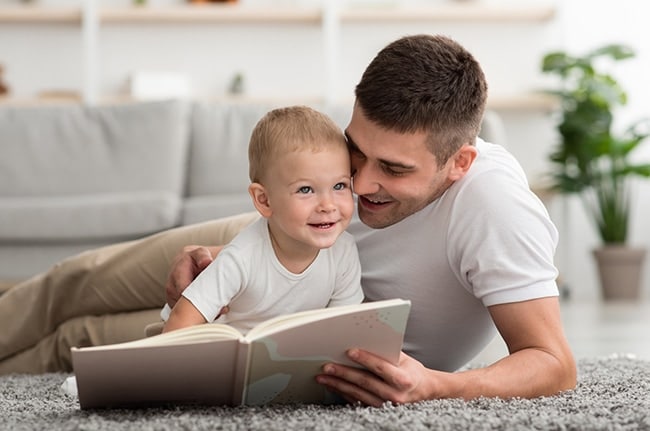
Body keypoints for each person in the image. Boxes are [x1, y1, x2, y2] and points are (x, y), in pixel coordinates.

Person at [0, 34, 576, 406]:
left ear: (460, 163)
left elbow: (553, 363)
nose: (363, 183)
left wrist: (438, 386)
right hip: (256, 243)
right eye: (357, 150)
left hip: (274, 330)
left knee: (78, 341)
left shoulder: (495, 207)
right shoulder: (350, 176)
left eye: (394, 169)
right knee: (74, 282)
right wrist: (227, 267)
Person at [161, 105, 363, 334]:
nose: (328, 205)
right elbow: (179, 324)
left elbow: (343, 329)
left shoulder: (344, 252)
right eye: (305, 190)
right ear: (264, 201)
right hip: (207, 346)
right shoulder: (240, 257)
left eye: (339, 186)